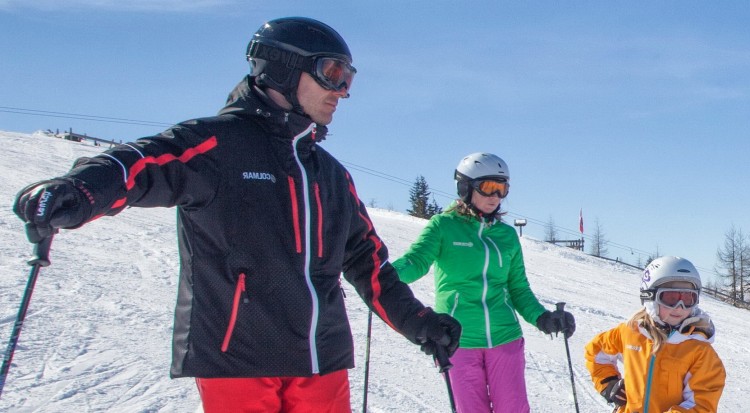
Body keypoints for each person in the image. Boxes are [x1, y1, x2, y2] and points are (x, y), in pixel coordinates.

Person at [10, 17, 462, 412]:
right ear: (283, 68)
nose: (342, 91)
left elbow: (371, 265)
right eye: (332, 73)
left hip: (321, 359)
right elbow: (141, 164)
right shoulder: (217, 146)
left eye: (348, 78)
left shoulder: (330, 175)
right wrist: (82, 189)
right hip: (238, 357)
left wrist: (418, 322)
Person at [392, 152, 574, 413]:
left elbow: (518, 288)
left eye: (502, 189)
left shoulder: (507, 236)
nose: (495, 197)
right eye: (488, 187)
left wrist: (542, 318)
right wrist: (382, 275)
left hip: (505, 338)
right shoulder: (443, 226)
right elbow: (416, 262)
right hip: (457, 341)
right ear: (465, 187)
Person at [584, 256, 726, 413]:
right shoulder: (630, 333)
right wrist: (609, 383)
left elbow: (701, 405)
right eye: (671, 298)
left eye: (687, 298)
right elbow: (596, 352)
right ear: (650, 297)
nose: (679, 307)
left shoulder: (699, 351)